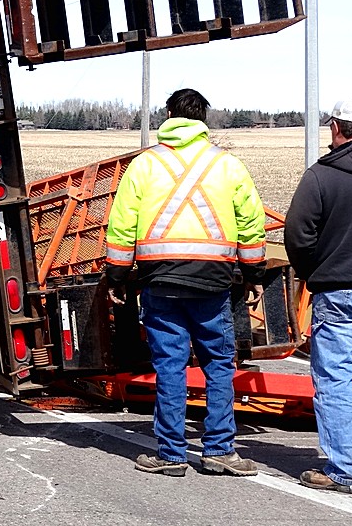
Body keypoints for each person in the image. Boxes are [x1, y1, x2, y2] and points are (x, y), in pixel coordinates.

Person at [106, 88, 266, 477]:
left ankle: (171, 455)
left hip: (159, 280)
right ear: (203, 120)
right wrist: (254, 273)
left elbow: (123, 223)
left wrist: (117, 275)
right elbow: (250, 222)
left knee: (170, 367)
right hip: (213, 282)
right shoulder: (227, 166)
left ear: (168, 116)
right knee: (218, 365)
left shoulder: (145, 165)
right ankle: (219, 451)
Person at [284, 96, 352, 494]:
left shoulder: (321, 177)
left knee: (336, 379)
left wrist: (315, 272)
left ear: (335, 127)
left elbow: (298, 235)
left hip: (338, 290)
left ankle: (346, 467)